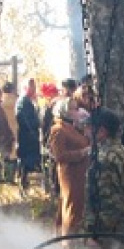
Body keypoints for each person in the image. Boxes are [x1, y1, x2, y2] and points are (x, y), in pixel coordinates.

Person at [84, 109, 124, 249]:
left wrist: (95, 234)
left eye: (88, 128)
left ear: (101, 131)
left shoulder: (104, 159)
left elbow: (108, 202)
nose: (85, 132)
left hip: (109, 237)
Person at [47, 97, 91, 237]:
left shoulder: (72, 128)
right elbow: (59, 155)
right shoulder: (59, 129)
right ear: (64, 111)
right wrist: (82, 153)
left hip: (79, 172)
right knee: (72, 205)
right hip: (70, 174)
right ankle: (69, 238)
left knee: (76, 204)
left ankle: (69, 236)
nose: (77, 112)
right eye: (73, 109)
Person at [14, 79, 42, 191]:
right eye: (31, 87)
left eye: (34, 87)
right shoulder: (23, 101)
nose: (34, 89)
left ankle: (25, 181)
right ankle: (23, 181)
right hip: (26, 136)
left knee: (30, 160)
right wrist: (30, 130)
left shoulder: (29, 101)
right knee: (26, 160)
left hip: (31, 135)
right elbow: (21, 116)